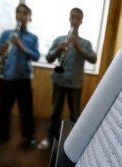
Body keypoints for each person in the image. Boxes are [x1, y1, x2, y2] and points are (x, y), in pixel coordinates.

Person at [38, 7, 97, 149]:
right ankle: (50, 139)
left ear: (81, 21)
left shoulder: (85, 43)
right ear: (69, 19)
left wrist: (78, 48)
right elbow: (49, 58)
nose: (75, 20)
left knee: (75, 115)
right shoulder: (59, 39)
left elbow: (94, 59)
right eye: (73, 17)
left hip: (75, 84)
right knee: (54, 113)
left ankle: (73, 144)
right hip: (59, 81)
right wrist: (58, 49)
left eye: (78, 18)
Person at [0, 3, 40, 149]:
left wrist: (21, 46)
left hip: (24, 78)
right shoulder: (6, 34)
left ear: (29, 18)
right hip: (6, 77)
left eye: (25, 13)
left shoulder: (33, 38)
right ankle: (2, 136)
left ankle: (30, 136)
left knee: (26, 110)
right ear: (16, 16)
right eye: (19, 13)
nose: (21, 16)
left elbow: (36, 56)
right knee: (4, 109)